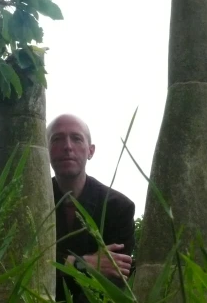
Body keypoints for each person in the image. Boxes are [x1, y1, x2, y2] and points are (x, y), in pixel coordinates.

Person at [48, 114, 136, 302]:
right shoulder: (30, 201)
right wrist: (84, 264)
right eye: (57, 139)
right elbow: (26, 263)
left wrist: (63, 264)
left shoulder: (119, 207)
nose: (67, 146)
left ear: (91, 151)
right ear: (45, 150)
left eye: (76, 138)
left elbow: (113, 279)